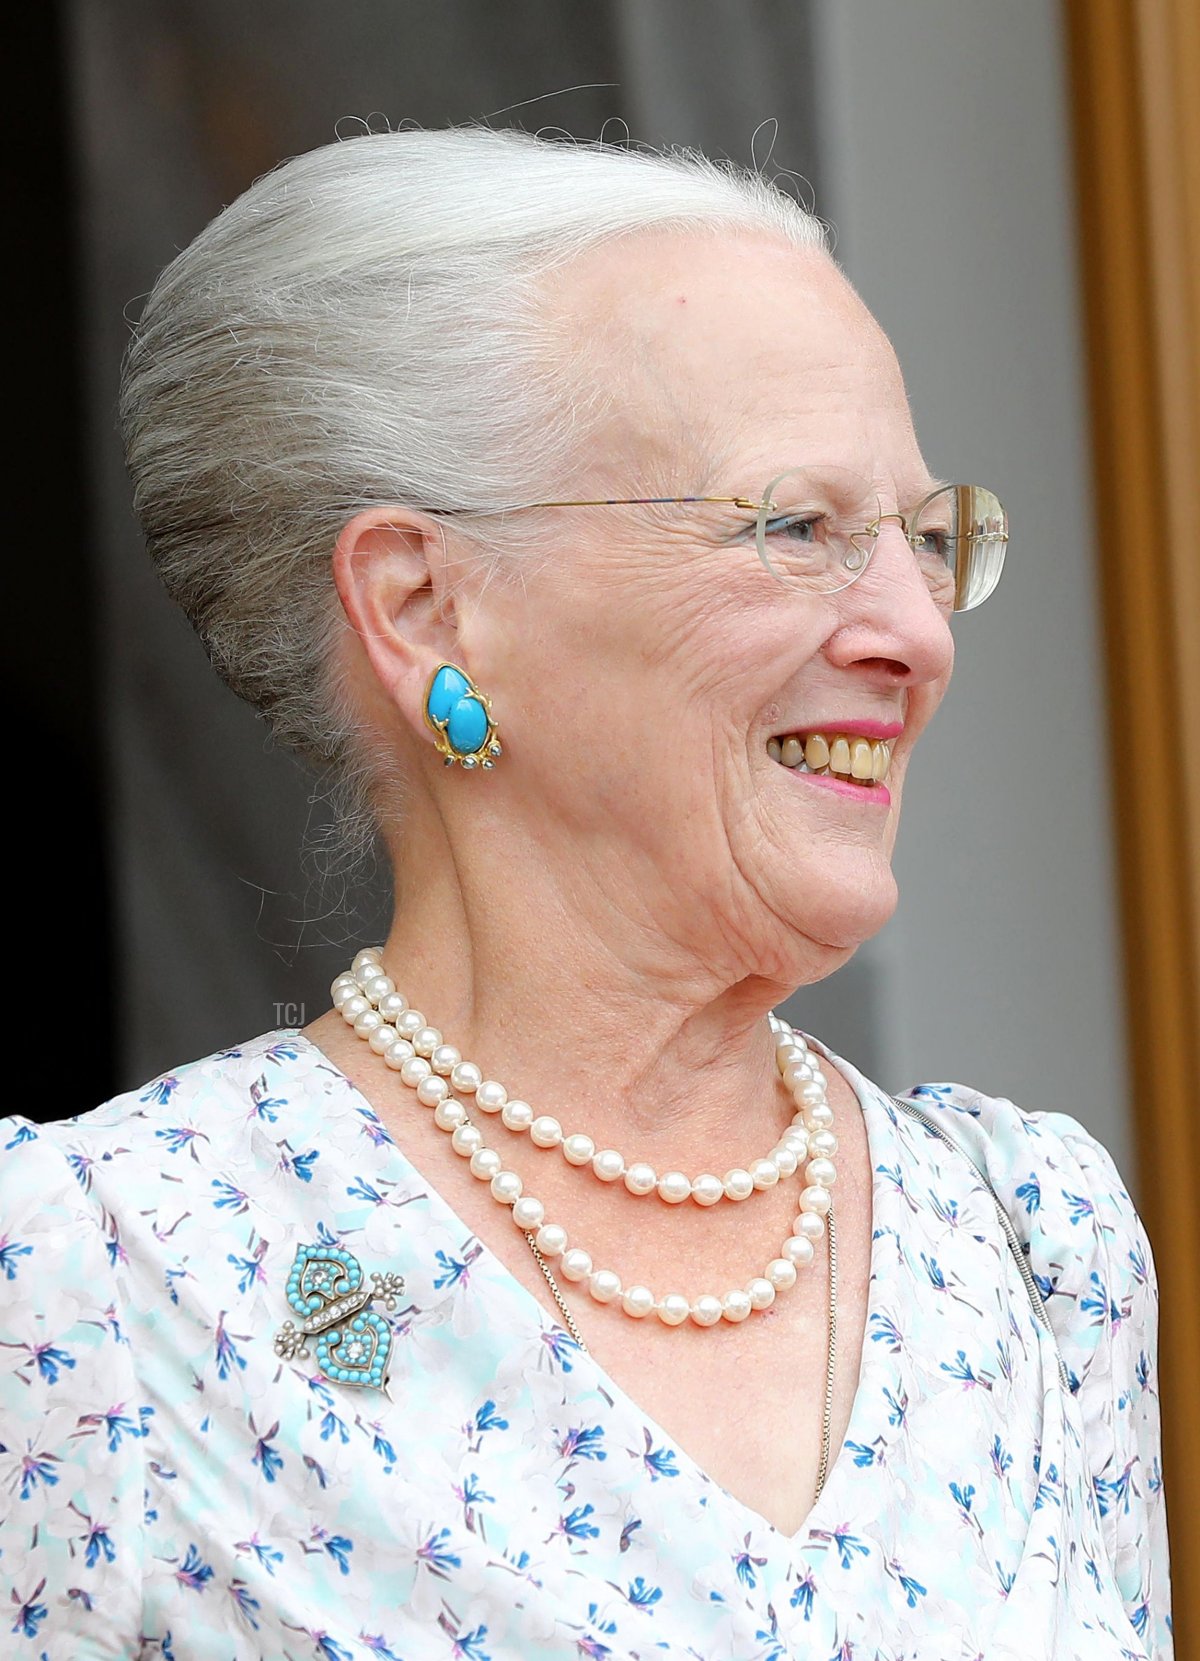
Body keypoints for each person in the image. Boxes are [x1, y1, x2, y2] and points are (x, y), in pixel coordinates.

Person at [0, 126, 1170, 1660]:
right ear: (427, 608)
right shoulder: (96, 1280)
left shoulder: (1034, 1241)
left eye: (927, 538)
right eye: (797, 527)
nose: (914, 632)